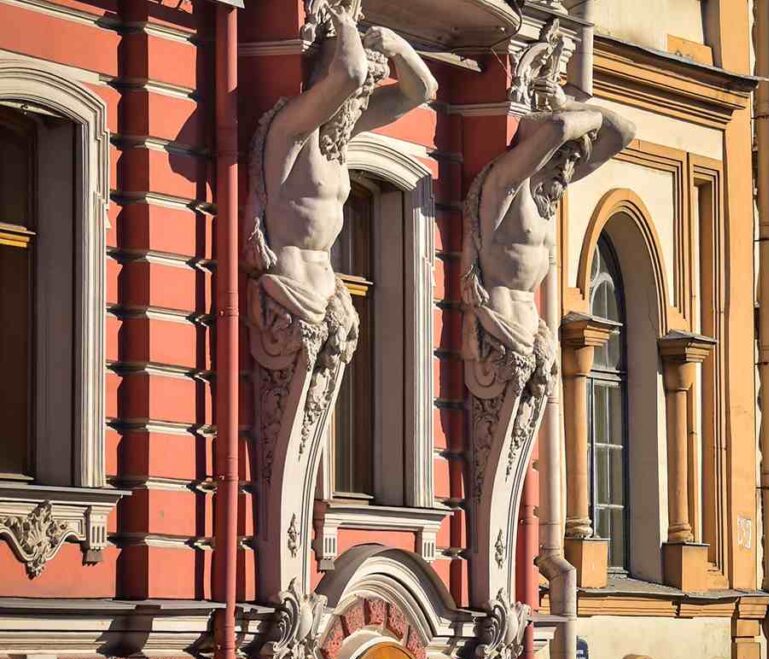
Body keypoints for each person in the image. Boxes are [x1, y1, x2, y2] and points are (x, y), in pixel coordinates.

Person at [246, 4, 437, 326]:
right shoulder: (292, 130)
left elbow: (422, 92)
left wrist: (400, 49)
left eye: (364, 95)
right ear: (325, 82)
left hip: (329, 293)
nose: (359, 103)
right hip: (290, 286)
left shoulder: (343, 131)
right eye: (357, 94)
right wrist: (346, 24)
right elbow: (350, 75)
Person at [462, 84, 636, 389]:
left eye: (573, 160)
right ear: (540, 153)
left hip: (535, 343)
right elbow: (559, 127)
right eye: (562, 157)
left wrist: (569, 103)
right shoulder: (505, 187)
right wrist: (569, 112)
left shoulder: (547, 195)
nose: (567, 168)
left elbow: (624, 133)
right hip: (500, 339)